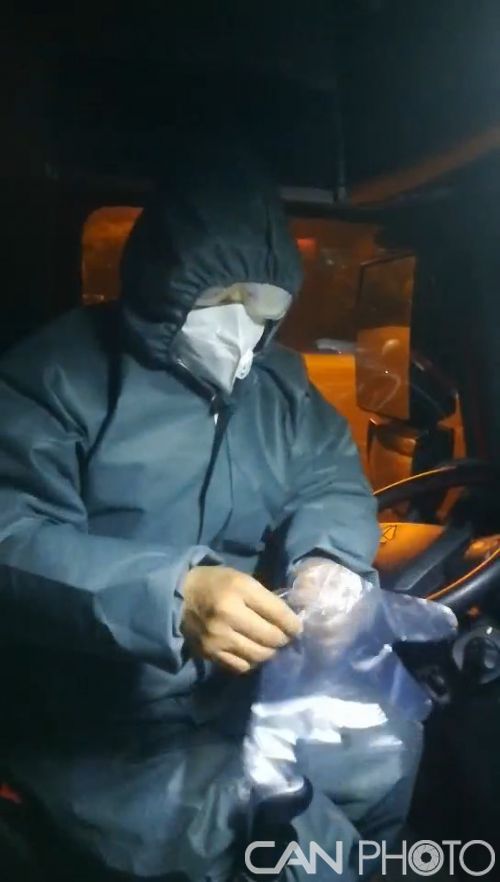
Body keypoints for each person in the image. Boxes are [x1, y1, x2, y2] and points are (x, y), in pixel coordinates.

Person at [0, 144, 420, 881]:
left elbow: (329, 482)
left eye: (265, 304)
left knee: (385, 749)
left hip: (247, 692)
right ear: (166, 278)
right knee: (286, 839)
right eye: (224, 297)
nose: (245, 325)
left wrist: (326, 561)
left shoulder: (282, 388)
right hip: (92, 724)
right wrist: (173, 598)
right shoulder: (55, 377)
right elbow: (13, 536)